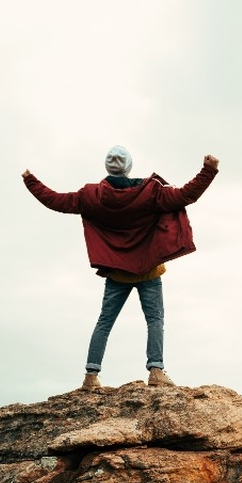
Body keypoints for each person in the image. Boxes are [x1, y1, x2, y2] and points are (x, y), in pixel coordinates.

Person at [22, 146, 220, 391]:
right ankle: (156, 370)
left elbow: (54, 200)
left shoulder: (92, 196)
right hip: (148, 270)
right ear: (129, 167)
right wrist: (208, 170)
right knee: (155, 319)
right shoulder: (150, 193)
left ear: (108, 167)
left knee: (104, 322)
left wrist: (30, 181)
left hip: (118, 273)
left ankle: (90, 376)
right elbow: (185, 195)